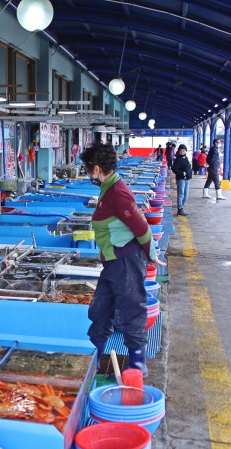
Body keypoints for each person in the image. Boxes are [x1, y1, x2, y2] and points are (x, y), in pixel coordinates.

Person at [80, 143, 166, 377]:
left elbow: (141, 227)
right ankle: (95, 358)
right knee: (101, 309)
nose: (88, 174)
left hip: (126, 261)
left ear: (97, 168)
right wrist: (105, 250)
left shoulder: (117, 192)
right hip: (113, 260)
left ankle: (138, 364)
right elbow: (113, 226)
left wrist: (152, 255)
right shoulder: (108, 188)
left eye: (88, 169)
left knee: (131, 308)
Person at [171, 144, 192, 216]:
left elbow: (189, 168)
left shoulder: (186, 158)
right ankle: (180, 209)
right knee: (181, 194)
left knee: (186, 194)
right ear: (179, 151)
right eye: (181, 150)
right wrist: (182, 174)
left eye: (184, 150)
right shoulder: (177, 159)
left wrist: (189, 175)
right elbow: (174, 169)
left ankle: (182, 207)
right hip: (181, 179)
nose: (182, 152)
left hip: (187, 179)